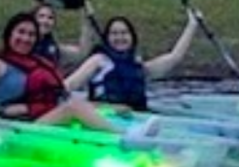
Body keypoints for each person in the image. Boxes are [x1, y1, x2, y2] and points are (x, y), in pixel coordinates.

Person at [0, 0, 160, 138]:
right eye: (20, 32)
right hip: (11, 132)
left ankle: (114, 131)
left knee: (76, 104)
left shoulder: (38, 63)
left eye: (30, 34)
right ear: (10, 35)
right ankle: (127, 137)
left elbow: (58, 95)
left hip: (35, 123)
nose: (26, 38)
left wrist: (104, 108)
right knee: (73, 109)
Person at [64, 11, 199, 111]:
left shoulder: (138, 65)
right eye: (114, 34)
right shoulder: (99, 60)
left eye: (124, 33)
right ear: (107, 38)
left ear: (132, 37)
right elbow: (70, 84)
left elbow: (174, 57)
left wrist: (192, 25)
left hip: (136, 117)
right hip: (106, 116)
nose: (120, 38)